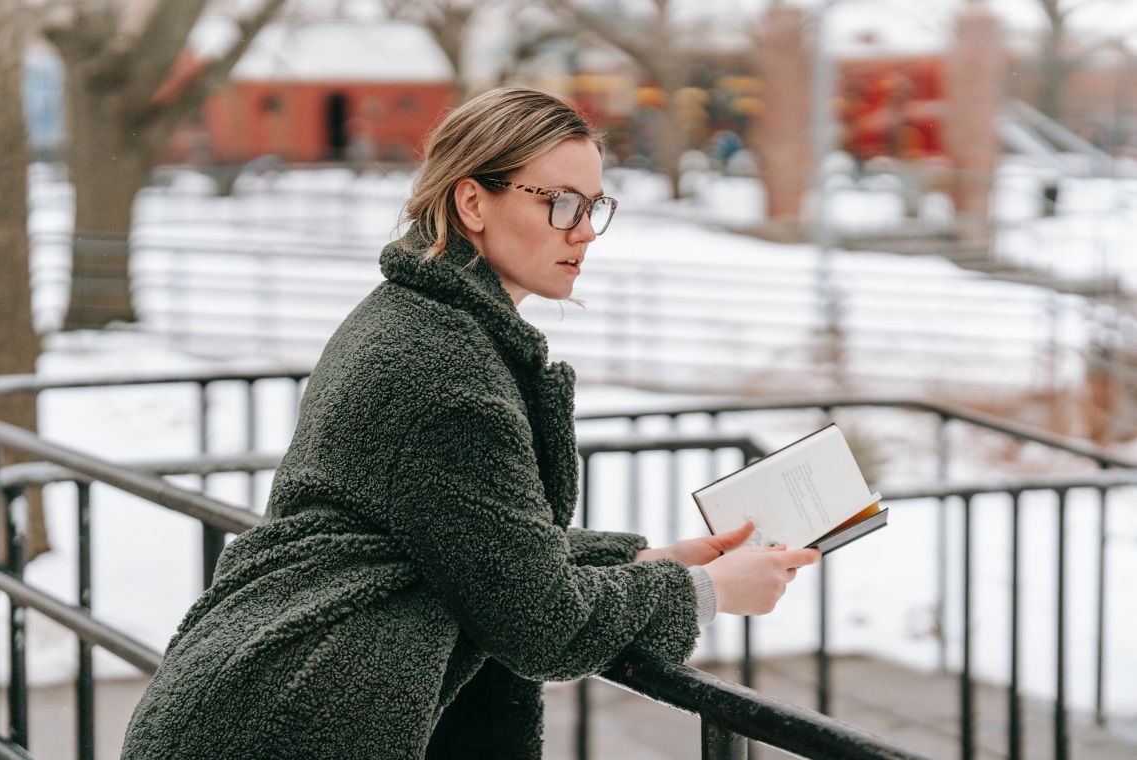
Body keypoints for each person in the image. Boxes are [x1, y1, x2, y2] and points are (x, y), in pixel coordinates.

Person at [121, 86, 820, 760]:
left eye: (595, 204)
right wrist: (711, 591)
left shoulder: (414, 319)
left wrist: (641, 564)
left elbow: (457, 538)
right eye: (560, 203)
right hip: (288, 721)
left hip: (264, 696)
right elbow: (542, 624)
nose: (583, 230)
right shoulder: (446, 372)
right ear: (472, 202)